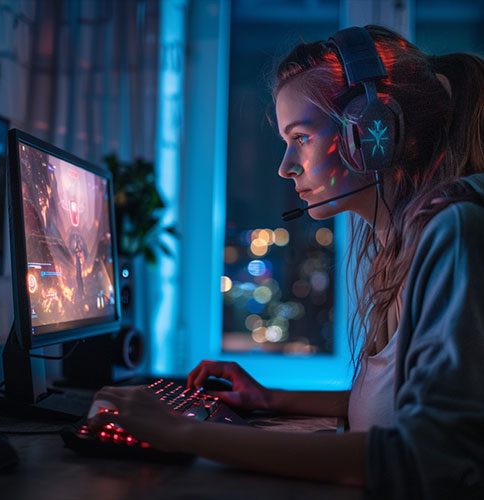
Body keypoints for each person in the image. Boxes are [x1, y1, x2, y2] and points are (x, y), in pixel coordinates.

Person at [88, 25, 484, 499]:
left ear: (371, 132)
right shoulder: (397, 245)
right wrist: (270, 399)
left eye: (300, 137)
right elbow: (398, 407)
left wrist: (179, 432)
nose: (285, 166)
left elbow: (420, 458)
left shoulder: (454, 233)